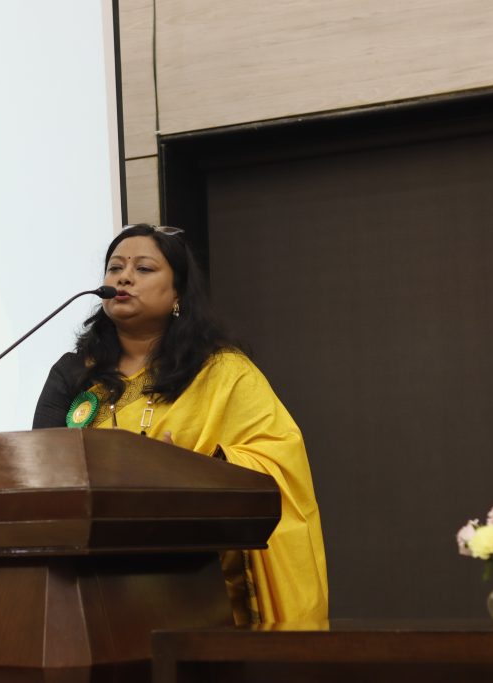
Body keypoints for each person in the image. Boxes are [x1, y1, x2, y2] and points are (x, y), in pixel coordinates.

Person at [33, 223, 328, 624]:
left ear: (177, 294)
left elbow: (277, 458)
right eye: (115, 267)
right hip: (91, 582)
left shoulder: (223, 371)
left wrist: (192, 470)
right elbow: (40, 470)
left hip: (195, 580)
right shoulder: (74, 373)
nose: (123, 277)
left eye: (144, 269)